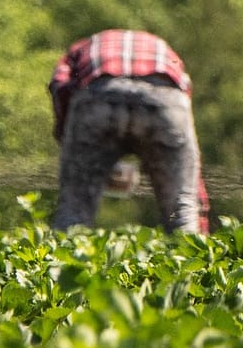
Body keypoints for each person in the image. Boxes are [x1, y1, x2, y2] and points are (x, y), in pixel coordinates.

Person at [48, 29, 210, 234]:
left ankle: (62, 260)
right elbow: (183, 114)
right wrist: (200, 213)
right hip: (165, 101)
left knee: (74, 213)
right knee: (181, 210)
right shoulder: (164, 49)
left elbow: (60, 87)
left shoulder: (78, 49)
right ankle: (196, 260)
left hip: (100, 95)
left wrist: (72, 147)